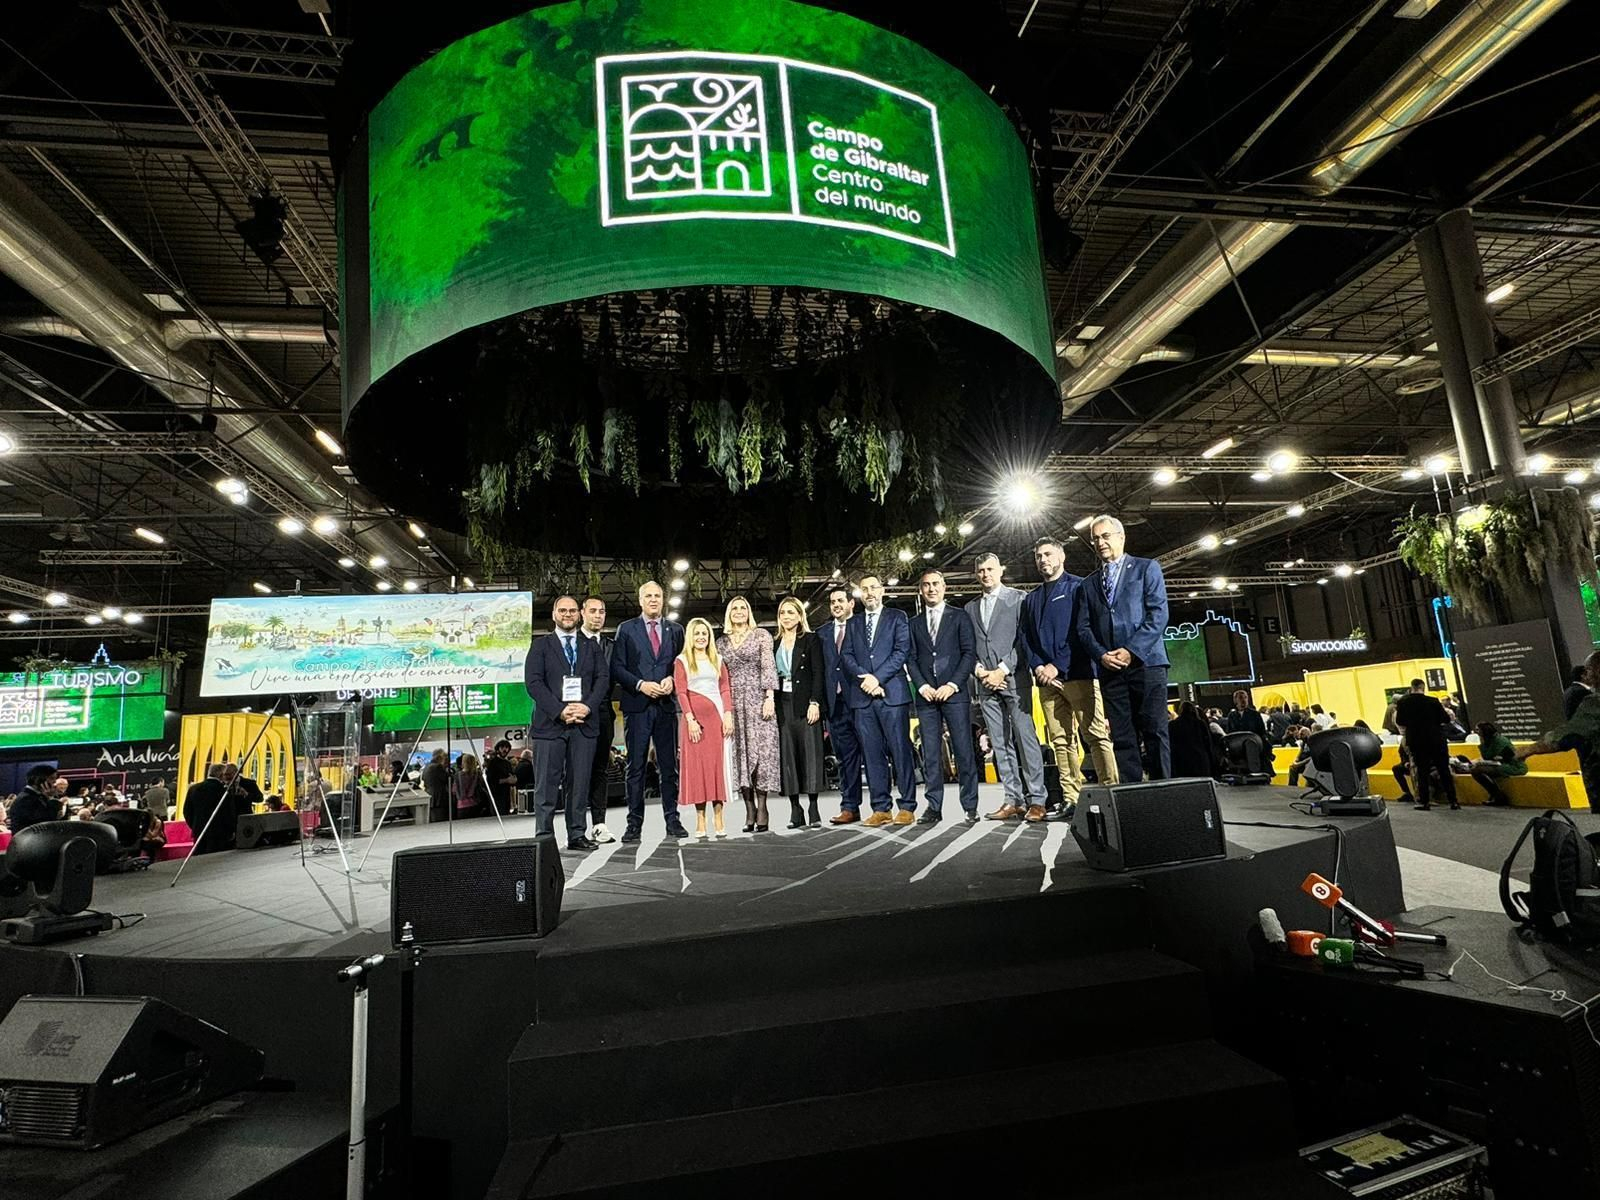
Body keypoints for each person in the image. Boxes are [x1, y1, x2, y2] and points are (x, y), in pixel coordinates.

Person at [1022, 535, 1119, 818]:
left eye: (1048, 554)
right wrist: (1039, 667)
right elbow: (1025, 637)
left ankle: (1110, 792)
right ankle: (1071, 798)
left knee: (1095, 735)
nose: (1043, 560)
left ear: (1061, 557)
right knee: (1061, 741)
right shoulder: (1032, 599)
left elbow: (1082, 632)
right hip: (1046, 683)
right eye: (1039, 556)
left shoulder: (1079, 588)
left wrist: (1057, 665)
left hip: (1078, 674)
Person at [1075, 515, 1171, 782]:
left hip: (1147, 664)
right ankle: (1132, 797)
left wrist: (1131, 650)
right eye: (1095, 539)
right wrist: (1101, 655)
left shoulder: (1146, 568)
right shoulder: (1088, 584)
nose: (1100, 542)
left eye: (1105, 536)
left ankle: (1164, 791)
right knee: (1123, 736)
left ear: (1121, 536)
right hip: (1110, 670)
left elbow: (1158, 614)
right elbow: (1083, 629)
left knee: (1155, 731)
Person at [967, 553, 1050, 821]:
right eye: (980, 570)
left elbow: (1023, 641)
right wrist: (980, 671)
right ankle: (1012, 799)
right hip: (984, 684)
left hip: (1014, 680)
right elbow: (968, 647)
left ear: (1000, 570)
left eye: (990, 569)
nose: (985, 574)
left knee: (1026, 740)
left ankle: (1037, 800)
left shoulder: (1019, 599)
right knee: (1000, 744)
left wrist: (1002, 670)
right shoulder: (969, 608)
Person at [523, 594, 610, 849]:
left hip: (584, 725)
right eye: (563, 610)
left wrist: (586, 707)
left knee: (579, 783)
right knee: (546, 786)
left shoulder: (591, 647)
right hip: (550, 726)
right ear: (554, 614)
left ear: (579, 614)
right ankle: (544, 838)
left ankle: (576, 835)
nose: (568, 614)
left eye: (572, 610)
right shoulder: (540, 646)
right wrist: (560, 711)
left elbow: (602, 680)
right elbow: (534, 684)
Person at [611, 581, 689, 843]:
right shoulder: (626, 629)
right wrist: (641, 684)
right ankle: (634, 825)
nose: (653, 599)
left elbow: (683, 664)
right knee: (635, 769)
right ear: (640, 600)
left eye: (657, 595)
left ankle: (673, 820)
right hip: (637, 706)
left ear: (663, 599)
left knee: (669, 767)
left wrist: (672, 680)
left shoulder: (676, 630)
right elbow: (617, 667)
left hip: (666, 707)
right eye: (648, 596)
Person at [841, 574, 918, 825]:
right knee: (872, 754)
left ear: (882, 591)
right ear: (860, 594)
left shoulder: (898, 617)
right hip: (863, 698)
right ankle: (881, 808)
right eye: (865, 589)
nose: (870, 592)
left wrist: (877, 679)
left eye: (874, 587)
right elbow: (847, 655)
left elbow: (901, 651)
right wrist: (866, 679)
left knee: (900, 751)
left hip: (892, 695)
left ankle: (906, 806)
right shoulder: (853, 623)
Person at [907, 568, 980, 824]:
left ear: (944, 587)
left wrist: (952, 684)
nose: (931, 589)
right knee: (931, 754)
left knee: (963, 751)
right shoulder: (913, 623)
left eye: (936, 584)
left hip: (955, 694)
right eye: (926, 585)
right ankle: (933, 807)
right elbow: (911, 658)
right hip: (926, 697)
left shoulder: (959, 617)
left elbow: (968, 653)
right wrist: (922, 686)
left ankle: (970, 806)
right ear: (920, 589)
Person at [718, 596, 782, 834]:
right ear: (728, 613)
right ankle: (749, 808)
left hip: (758, 700)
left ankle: (763, 806)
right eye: (734, 608)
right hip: (733, 704)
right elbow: (719, 676)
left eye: (743, 607)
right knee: (740, 754)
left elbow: (768, 666)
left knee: (762, 753)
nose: (738, 611)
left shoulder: (761, 636)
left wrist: (769, 698)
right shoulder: (721, 643)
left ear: (748, 612)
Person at [674, 616, 735, 839]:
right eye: (697, 633)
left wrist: (728, 714)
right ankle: (700, 819)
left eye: (705, 633)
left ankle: (719, 817)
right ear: (691, 636)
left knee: (716, 768)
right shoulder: (681, 660)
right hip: (694, 723)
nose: (701, 637)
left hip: (717, 719)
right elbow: (681, 691)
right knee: (698, 771)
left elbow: (725, 688)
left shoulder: (718, 659)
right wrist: (690, 719)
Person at [773, 597, 828, 830]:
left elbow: (819, 673)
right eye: (783, 613)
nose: (787, 617)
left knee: (810, 754)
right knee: (788, 756)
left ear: (799, 616)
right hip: (782, 705)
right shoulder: (773, 643)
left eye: (791, 612)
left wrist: (815, 702)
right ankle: (795, 810)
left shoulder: (811, 640)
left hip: (806, 704)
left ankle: (813, 807)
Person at [1519, 649, 1600, 804]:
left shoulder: (1594, 703)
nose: (1588, 675)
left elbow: (1566, 736)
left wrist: (1526, 750)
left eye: (1589, 670)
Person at [820, 586, 866, 824]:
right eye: (832, 601)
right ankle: (849, 806)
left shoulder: (863, 627)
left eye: (840, 600)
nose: (836, 604)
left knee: (873, 754)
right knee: (845, 758)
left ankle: (882, 806)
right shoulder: (822, 633)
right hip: (835, 704)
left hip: (863, 700)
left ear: (851, 603)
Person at [580, 596, 618, 844]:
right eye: (592, 610)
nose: (597, 615)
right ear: (582, 613)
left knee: (600, 771)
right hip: (577, 714)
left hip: (604, 714)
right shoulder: (571, 643)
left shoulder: (611, 646)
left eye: (601, 611)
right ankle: (575, 827)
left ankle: (599, 824)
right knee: (576, 771)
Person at [1393, 678, 1458, 812]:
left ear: (1412, 687)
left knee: (1421, 772)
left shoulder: (1403, 702)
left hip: (1417, 741)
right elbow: (1445, 719)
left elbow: (1400, 721)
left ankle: (1424, 802)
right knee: (1443, 770)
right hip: (1436, 740)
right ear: (1423, 687)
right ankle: (1453, 801)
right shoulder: (1433, 701)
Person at [182, 763, 248, 853]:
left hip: (199, 832)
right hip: (220, 834)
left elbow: (187, 811)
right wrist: (231, 830)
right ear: (220, 775)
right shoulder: (224, 791)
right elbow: (229, 812)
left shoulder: (193, 789)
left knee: (199, 860)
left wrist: (195, 825)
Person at [1464, 721, 1523, 806]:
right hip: (1497, 764)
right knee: (1474, 769)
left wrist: (1485, 762)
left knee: (1476, 770)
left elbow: (1510, 757)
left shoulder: (1501, 741)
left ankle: (1497, 796)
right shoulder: (1487, 742)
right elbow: (1487, 757)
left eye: (1478, 730)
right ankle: (1496, 795)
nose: (1476, 732)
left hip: (1513, 766)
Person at [6, 764, 63, 833]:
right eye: (51, 778)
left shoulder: (38, 796)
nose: (54, 783)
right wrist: (50, 798)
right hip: (30, 841)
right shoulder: (26, 799)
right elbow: (48, 821)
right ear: (39, 780)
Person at [1169, 702, 1218, 778]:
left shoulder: (1172, 725)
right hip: (1201, 761)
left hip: (1182, 762)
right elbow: (1208, 744)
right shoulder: (1200, 723)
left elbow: (1172, 746)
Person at [484, 739, 518, 816]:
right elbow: (491, 780)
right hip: (496, 795)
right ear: (498, 749)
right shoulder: (493, 762)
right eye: (502, 747)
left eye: (506, 747)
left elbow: (512, 776)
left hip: (507, 795)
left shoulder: (507, 763)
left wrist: (514, 779)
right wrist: (507, 780)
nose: (504, 749)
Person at [420, 749, 450, 823]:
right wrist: (445, 767)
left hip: (431, 797)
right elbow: (447, 779)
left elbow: (423, 779)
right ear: (439, 757)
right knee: (441, 821)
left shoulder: (427, 767)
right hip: (439, 798)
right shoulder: (438, 767)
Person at [456, 753, 482, 818]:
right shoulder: (477, 775)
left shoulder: (458, 775)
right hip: (474, 803)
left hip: (461, 805)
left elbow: (454, 789)